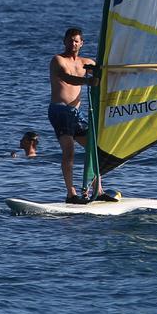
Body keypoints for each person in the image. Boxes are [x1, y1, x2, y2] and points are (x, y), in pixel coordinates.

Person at [48, 26, 112, 203]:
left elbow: (104, 73)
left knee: (95, 150)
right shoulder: (58, 60)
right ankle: (71, 194)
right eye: (69, 40)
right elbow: (66, 78)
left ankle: (97, 190)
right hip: (60, 110)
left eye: (76, 41)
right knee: (69, 151)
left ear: (82, 43)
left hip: (76, 114)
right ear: (64, 41)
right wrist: (88, 81)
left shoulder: (86, 62)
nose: (73, 43)